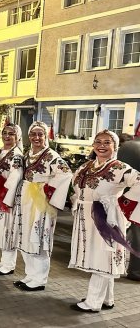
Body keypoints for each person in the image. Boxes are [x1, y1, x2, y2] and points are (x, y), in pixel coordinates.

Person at [69, 129, 140, 312]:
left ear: (115, 146)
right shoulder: (87, 166)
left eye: (107, 142)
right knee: (104, 257)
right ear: (93, 145)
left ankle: (93, 303)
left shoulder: (119, 167)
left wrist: (123, 203)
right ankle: (107, 299)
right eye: (98, 141)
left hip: (106, 217)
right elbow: (76, 186)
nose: (102, 145)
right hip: (86, 217)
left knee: (102, 257)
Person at [12, 121, 72, 291]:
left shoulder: (51, 156)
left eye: (40, 134)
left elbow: (66, 173)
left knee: (39, 238)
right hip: (26, 198)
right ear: (29, 136)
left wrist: (46, 188)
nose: (36, 137)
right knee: (25, 236)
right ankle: (30, 275)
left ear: (46, 136)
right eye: (33, 134)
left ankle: (40, 279)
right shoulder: (27, 154)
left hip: (42, 201)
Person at [0, 123, 24, 275]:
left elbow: (16, 175)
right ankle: (4, 260)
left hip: (7, 195)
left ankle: (9, 265)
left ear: (17, 137)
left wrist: (7, 196)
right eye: (5, 133)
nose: (7, 136)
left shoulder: (17, 155)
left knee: (9, 228)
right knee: (1, 227)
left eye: (11, 134)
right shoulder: (2, 151)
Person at [117, 134, 140, 281]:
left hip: (132, 198)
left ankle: (136, 270)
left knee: (137, 235)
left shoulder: (129, 147)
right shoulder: (132, 147)